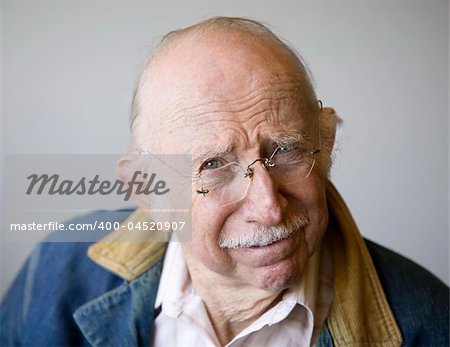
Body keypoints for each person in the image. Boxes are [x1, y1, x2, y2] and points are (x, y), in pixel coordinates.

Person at [1, 17, 448, 347]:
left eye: (287, 150)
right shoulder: (56, 270)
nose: (269, 207)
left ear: (325, 143)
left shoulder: (431, 324)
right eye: (215, 165)